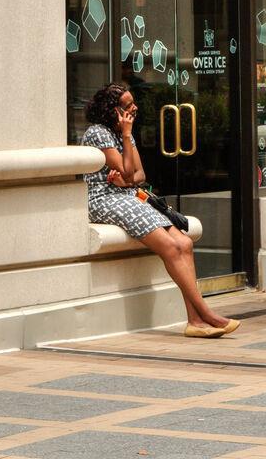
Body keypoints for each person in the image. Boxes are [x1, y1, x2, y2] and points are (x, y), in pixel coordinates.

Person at [82, 84, 238, 338]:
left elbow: (138, 175)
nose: (134, 108)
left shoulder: (125, 133)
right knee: (169, 246)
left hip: (128, 195)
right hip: (104, 199)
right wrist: (127, 163)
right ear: (112, 110)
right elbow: (130, 171)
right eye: (128, 105)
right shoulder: (98, 133)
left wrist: (127, 178)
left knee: (184, 243)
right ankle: (205, 314)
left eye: (133, 103)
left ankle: (195, 322)